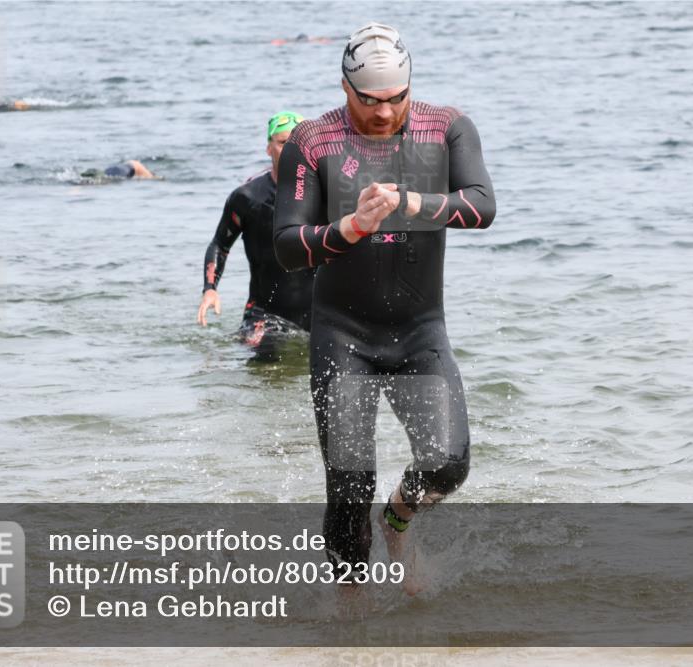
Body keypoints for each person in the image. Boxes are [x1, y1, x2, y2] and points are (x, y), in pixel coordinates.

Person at [273, 23, 495, 594]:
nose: (382, 112)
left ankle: (396, 522)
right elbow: (286, 245)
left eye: (395, 98)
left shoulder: (446, 128)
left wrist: (414, 203)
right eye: (369, 100)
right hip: (343, 335)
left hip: (420, 330)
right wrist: (351, 227)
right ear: (346, 88)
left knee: (450, 463)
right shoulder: (312, 141)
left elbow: (483, 205)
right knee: (349, 482)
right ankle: (351, 618)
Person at [197, 111, 316, 357]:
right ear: (269, 148)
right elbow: (220, 244)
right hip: (265, 315)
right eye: (284, 143)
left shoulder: (328, 193)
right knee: (262, 372)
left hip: (320, 312)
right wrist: (210, 288)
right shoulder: (248, 197)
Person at [80, 159, 159, 181]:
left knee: (101, 177)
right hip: (122, 170)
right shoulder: (140, 169)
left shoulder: (132, 165)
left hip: (111, 169)